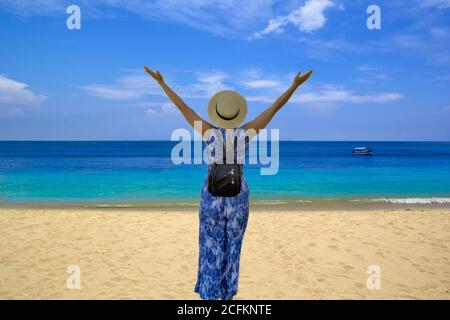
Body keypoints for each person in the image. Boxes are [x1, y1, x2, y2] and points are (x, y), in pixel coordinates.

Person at [144, 66, 313, 300]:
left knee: (209, 248)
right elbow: (274, 108)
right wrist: (293, 86)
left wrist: (161, 83)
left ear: (216, 112)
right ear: (237, 114)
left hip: (211, 199)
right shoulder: (245, 134)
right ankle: (227, 297)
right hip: (238, 200)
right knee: (232, 251)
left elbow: (182, 107)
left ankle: (209, 295)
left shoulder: (208, 132)